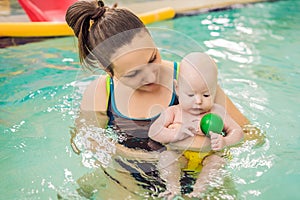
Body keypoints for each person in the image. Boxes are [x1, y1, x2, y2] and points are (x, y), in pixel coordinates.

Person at [65, 0, 249, 198]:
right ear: (108, 71)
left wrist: (211, 145)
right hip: (127, 176)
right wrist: (144, 158)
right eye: (133, 74)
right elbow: (86, 143)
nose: (152, 77)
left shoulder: (191, 78)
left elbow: (250, 133)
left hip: (198, 173)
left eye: (152, 58)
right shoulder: (101, 93)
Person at [149, 52, 244, 199]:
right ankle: (173, 188)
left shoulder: (217, 111)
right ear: (178, 89)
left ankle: (199, 191)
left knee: (217, 161)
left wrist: (225, 141)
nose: (198, 101)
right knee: (167, 157)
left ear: (215, 91)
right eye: (191, 95)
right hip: (180, 156)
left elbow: (238, 131)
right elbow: (154, 132)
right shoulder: (174, 112)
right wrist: (176, 134)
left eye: (206, 95)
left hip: (208, 156)